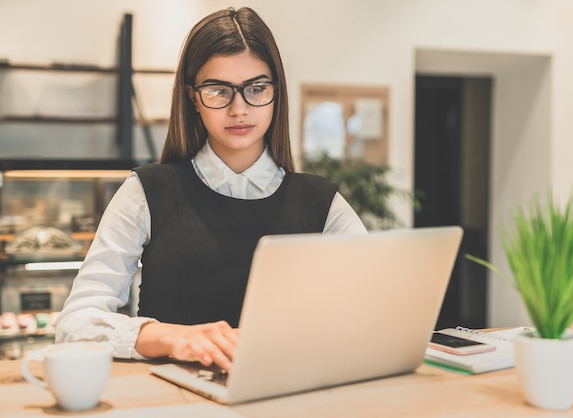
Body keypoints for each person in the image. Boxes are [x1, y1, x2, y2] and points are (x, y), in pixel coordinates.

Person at [55, 7, 366, 373]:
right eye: (219, 90)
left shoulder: (323, 203)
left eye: (256, 88)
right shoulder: (146, 191)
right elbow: (76, 322)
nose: (239, 109)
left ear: (276, 92)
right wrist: (171, 337)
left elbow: (374, 308)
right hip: (174, 400)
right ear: (193, 97)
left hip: (288, 395)